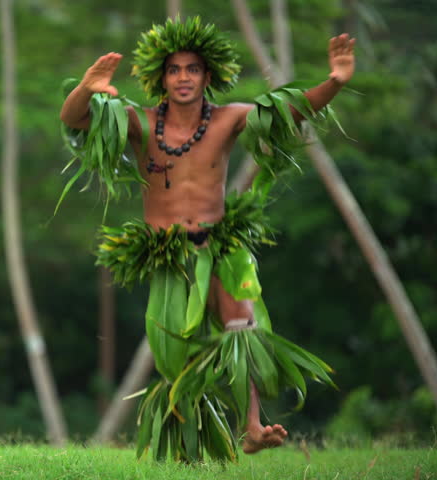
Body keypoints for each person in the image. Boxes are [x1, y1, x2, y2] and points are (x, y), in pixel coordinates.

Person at [60, 17, 352, 461]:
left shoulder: (228, 119)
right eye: (174, 70)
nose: (182, 78)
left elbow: (291, 110)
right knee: (179, 357)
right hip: (170, 255)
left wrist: (334, 81)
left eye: (192, 69)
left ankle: (253, 426)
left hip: (220, 244)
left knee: (242, 325)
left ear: (207, 76)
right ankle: (191, 438)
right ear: (162, 78)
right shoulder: (139, 123)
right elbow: (74, 118)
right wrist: (87, 87)